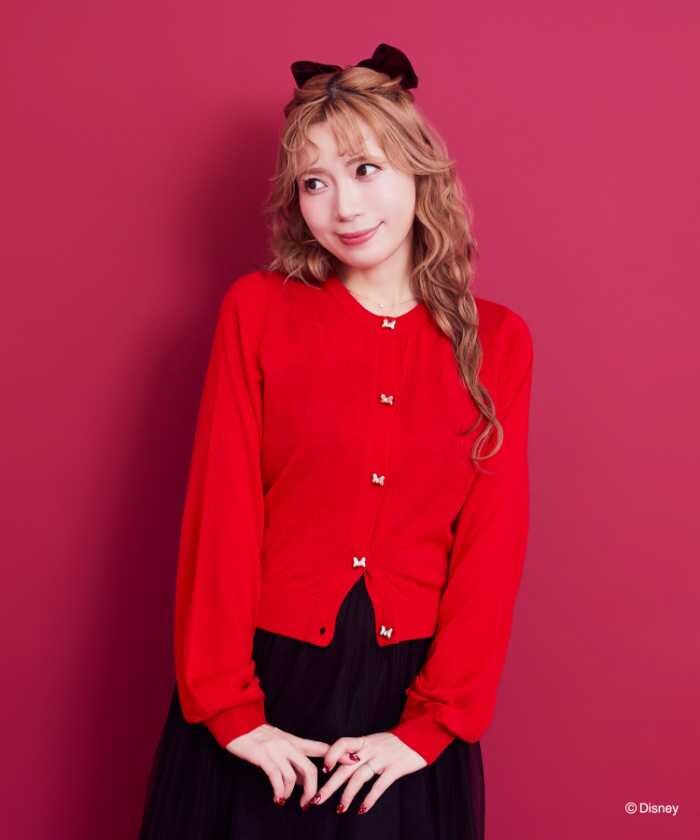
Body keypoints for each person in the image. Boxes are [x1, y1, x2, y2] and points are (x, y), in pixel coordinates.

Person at [138, 42, 534, 840]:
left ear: (420, 170)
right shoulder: (257, 311)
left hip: (407, 704)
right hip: (264, 687)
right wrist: (229, 711)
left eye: (365, 170)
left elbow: (492, 545)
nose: (343, 207)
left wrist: (431, 726)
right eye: (314, 182)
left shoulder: (498, 341)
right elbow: (221, 513)